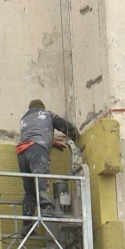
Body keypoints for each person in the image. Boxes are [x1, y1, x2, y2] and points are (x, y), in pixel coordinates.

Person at [15, 99, 78, 230]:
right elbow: (63, 125)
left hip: (21, 153)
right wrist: (75, 134)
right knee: (41, 180)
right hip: (37, 150)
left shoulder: (24, 119)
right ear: (42, 107)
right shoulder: (46, 114)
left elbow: (35, 134)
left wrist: (52, 143)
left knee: (29, 190)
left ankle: (26, 225)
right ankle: (46, 209)